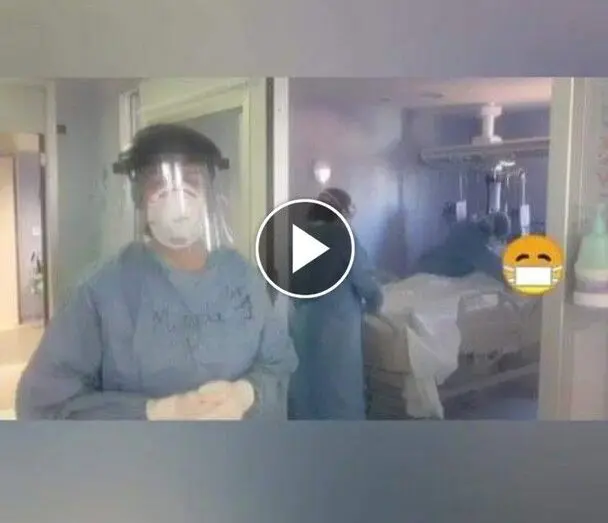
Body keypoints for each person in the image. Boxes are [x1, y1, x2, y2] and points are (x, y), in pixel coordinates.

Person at [16, 123, 298, 420]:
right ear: (138, 196)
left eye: (192, 180)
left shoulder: (242, 278)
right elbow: (42, 404)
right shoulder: (101, 293)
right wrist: (155, 412)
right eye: (158, 182)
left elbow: (278, 365)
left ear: (209, 193)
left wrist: (246, 394)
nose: (178, 196)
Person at [288, 188, 383, 420]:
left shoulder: (300, 236)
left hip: (303, 326)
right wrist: (375, 302)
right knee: (340, 392)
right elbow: (364, 279)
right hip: (337, 330)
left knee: (306, 390)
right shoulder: (343, 238)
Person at [414, 211, 511, 282]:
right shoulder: (471, 239)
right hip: (427, 275)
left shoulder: (471, 230)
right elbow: (496, 268)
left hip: (428, 269)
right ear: (493, 236)